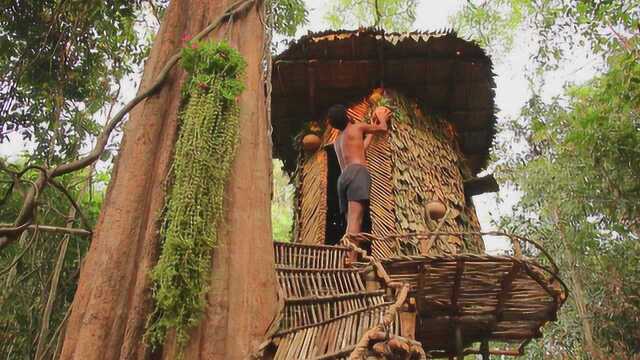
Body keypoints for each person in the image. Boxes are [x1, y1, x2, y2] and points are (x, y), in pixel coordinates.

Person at [327, 104, 391, 256]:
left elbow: (360, 149)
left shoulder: (337, 141)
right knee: (356, 220)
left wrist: (370, 133)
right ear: (348, 116)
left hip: (343, 178)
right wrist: (382, 118)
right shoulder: (357, 127)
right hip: (358, 173)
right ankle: (351, 259)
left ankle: (347, 255)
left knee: (350, 221)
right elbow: (383, 128)